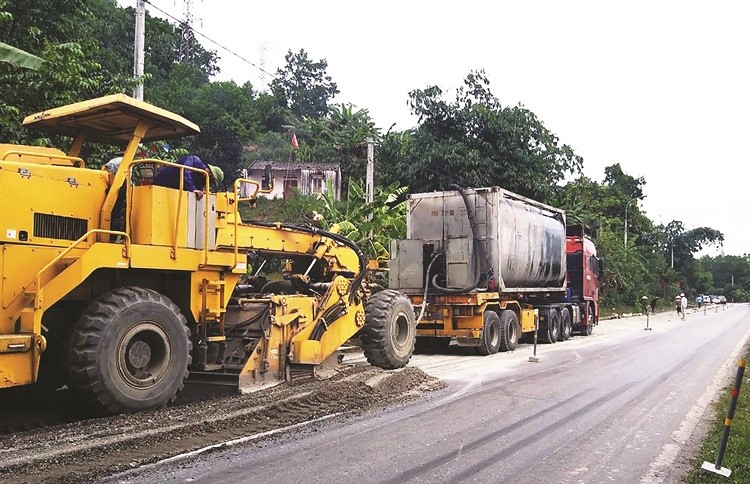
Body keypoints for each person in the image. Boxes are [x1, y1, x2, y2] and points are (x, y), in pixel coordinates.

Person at [153, 154, 224, 200]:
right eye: (211, 181)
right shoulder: (194, 160)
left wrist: (201, 193)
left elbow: (198, 190)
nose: (209, 183)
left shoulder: (201, 179)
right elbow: (185, 172)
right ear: (209, 174)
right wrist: (193, 189)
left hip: (171, 193)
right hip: (161, 184)